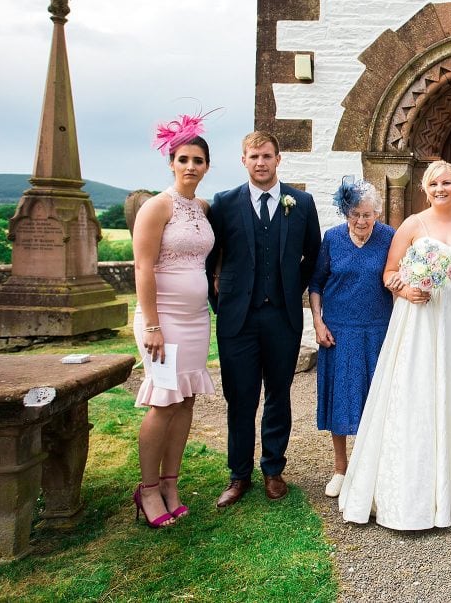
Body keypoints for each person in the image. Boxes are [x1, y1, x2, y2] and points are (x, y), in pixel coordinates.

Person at [339, 161, 451, 530]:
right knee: (416, 394)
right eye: (433, 183)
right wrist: (405, 287)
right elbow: (388, 273)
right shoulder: (413, 224)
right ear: (424, 187)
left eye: (446, 182)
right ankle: (411, 494)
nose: (440, 189)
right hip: (420, 317)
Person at [208, 130, 321, 507]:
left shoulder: (301, 203)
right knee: (240, 397)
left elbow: (312, 255)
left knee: (278, 394)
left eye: (267, 156)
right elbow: (209, 262)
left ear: (278, 159)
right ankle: (238, 475)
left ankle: (273, 468)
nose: (261, 162)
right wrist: (221, 304)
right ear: (243, 160)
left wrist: (291, 289)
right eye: (254, 156)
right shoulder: (224, 203)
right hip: (237, 320)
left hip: (282, 318)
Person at [131, 113, 217, 528]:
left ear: (206, 166)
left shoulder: (201, 207)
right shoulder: (156, 207)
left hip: (196, 319)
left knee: (185, 401)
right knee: (162, 402)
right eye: (183, 159)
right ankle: (147, 490)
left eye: (197, 160)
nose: (190, 166)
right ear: (171, 162)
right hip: (162, 319)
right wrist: (151, 325)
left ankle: (170, 484)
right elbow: (143, 268)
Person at [309, 177, 395, 498]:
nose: (361, 221)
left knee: (377, 398)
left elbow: (398, 275)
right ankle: (341, 468)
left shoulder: (389, 237)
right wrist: (318, 322)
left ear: (377, 213)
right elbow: (316, 284)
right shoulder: (332, 239)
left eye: (368, 214)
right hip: (339, 330)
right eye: (355, 214)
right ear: (346, 213)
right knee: (342, 397)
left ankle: (374, 467)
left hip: (377, 329)